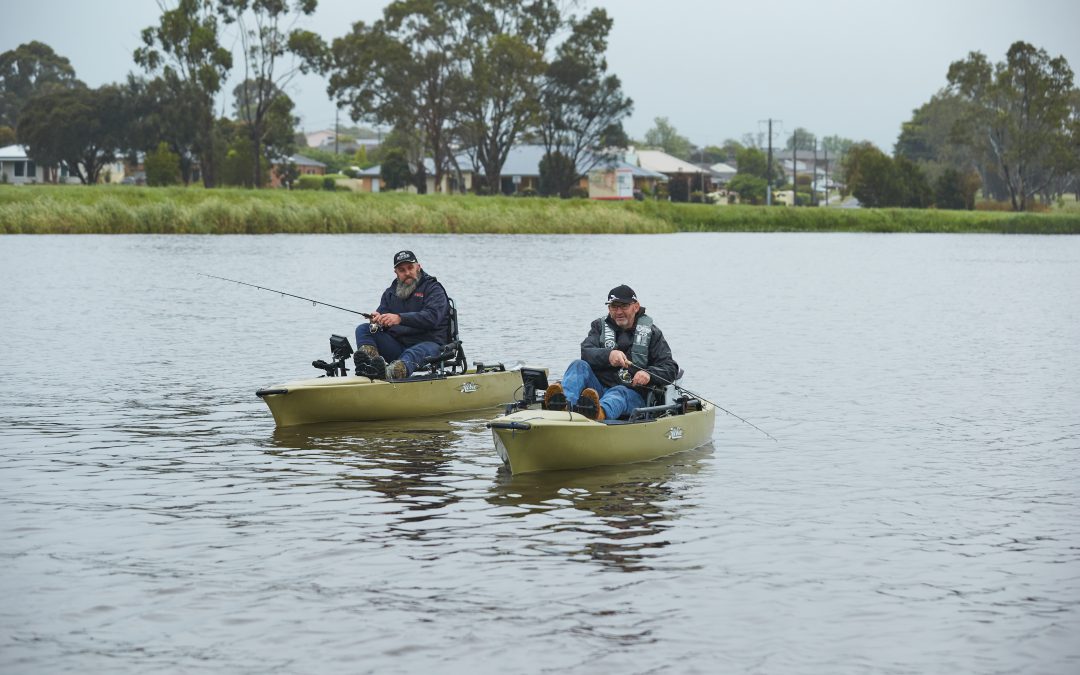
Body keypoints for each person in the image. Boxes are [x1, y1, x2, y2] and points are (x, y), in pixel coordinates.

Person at [544, 285, 679, 420]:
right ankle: (564, 407)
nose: (618, 311)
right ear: (609, 308)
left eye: (624, 306)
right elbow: (586, 352)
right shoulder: (598, 327)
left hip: (632, 395)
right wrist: (608, 355)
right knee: (578, 365)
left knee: (618, 392)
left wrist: (648, 374)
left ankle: (598, 414)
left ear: (636, 307)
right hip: (596, 391)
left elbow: (670, 367)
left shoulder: (653, 334)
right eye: (614, 307)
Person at [353, 250, 451, 380]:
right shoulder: (390, 292)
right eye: (402, 270)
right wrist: (376, 319)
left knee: (412, 354)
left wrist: (399, 318)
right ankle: (371, 367)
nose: (407, 273)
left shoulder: (433, 288)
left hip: (430, 344)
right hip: (398, 346)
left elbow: (432, 318)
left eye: (410, 268)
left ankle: (390, 373)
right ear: (396, 272)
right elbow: (382, 316)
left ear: (418, 267)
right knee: (363, 329)